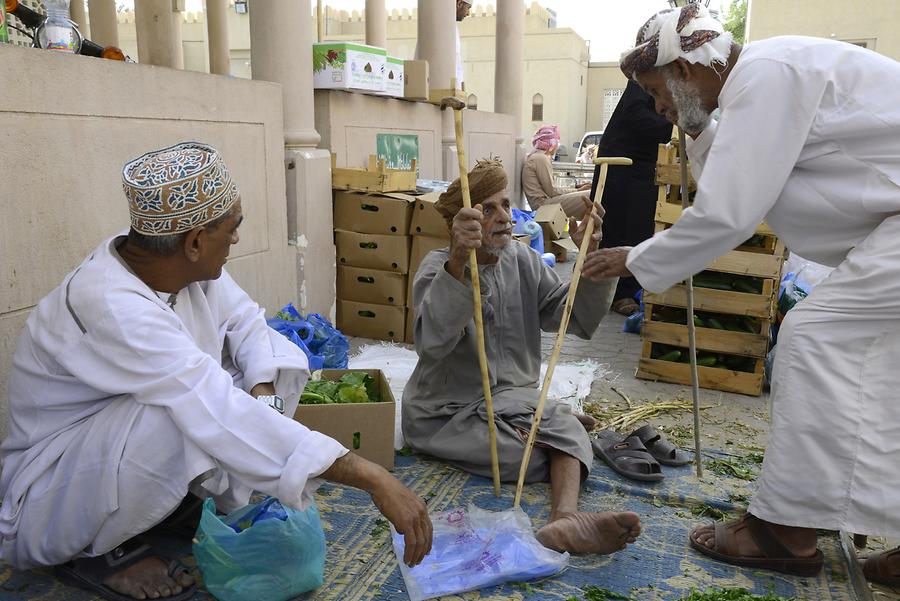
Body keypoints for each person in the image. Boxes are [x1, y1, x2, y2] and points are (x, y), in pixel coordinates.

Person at [0, 142, 433, 601]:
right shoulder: (111, 304)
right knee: (184, 413)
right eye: (233, 230)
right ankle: (95, 549)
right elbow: (210, 403)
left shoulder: (175, 262)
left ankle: (172, 505)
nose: (238, 240)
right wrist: (373, 477)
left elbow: (245, 321)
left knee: (272, 354)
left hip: (114, 448)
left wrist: (264, 393)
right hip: (52, 487)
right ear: (194, 242)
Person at [582, 3, 900, 582]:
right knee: (879, 370)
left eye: (656, 89)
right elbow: (742, 173)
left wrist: (636, 258)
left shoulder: (767, 73)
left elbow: (729, 211)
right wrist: (699, 128)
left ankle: (788, 531)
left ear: (684, 70)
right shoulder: (762, 80)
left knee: (809, 339)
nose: (656, 107)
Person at [402, 158, 642, 556]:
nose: (504, 218)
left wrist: (589, 255)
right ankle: (548, 433)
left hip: (511, 402)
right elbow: (432, 344)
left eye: (506, 205)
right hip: (447, 414)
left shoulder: (523, 260)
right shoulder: (437, 268)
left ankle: (564, 517)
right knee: (535, 454)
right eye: (488, 209)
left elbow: (572, 319)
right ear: (461, 224)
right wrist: (461, 262)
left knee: (560, 432)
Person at [595, 80, 673, 316]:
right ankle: (618, 293)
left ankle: (634, 286)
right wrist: (673, 123)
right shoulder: (646, 80)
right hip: (623, 169)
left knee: (641, 229)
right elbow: (636, 116)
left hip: (644, 169)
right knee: (621, 230)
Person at [522, 125, 593, 219]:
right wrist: (578, 190)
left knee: (590, 195)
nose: (557, 146)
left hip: (545, 203)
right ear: (552, 143)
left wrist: (575, 188)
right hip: (543, 206)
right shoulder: (540, 158)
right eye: (557, 142)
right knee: (591, 194)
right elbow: (552, 192)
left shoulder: (537, 157)